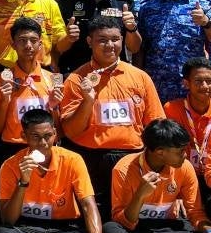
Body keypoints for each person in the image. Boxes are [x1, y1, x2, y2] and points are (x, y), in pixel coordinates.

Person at [60, 15, 165, 218]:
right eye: (102, 40)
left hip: (132, 158)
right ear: (90, 42)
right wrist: (87, 102)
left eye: (115, 39)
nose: (110, 45)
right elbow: (71, 131)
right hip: (91, 158)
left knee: (128, 217)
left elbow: (155, 124)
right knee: (93, 218)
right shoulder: (76, 79)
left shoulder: (140, 77)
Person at [0, 108, 106, 233]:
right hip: (28, 227)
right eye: (36, 137)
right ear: (24, 137)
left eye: (48, 136)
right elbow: (8, 220)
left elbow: (88, 204)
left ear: (55, 133)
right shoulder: (10, 165)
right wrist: (23, 182)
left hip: (64, 227)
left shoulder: (73, 160)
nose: (43, 143)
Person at [103, 119, 211, 233]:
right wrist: (140, 195)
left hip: (168, 230)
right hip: (137, 230)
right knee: (110, 230)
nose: (185, 155)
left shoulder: (185, 167)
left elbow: (195, 213)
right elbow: (123, 222)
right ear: (160, 151)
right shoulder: (123, 169)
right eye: (180, 151)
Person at [138, 0, 211, 102]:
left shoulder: (204, 4)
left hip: (192, 90)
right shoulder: (147, 7)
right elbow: (140, 49)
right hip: (156, 89)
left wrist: (206, 23)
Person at [0, 18, 63, 162]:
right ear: (13, 44)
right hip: (13, 150)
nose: (28, 45)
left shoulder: (53, 80)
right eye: (22, 40)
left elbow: (60, 131)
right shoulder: (0, 80)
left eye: (33, 40)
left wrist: (53, 108)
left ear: (40, 44)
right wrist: (4, 102)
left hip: (46, 150)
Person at [164, 57, 211, 197]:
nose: (205, 86)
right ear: (186, 83)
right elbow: (166, 153)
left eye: (209, 81)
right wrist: (175, 194)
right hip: (181, 177)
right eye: (198, 81)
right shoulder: (171, 109)